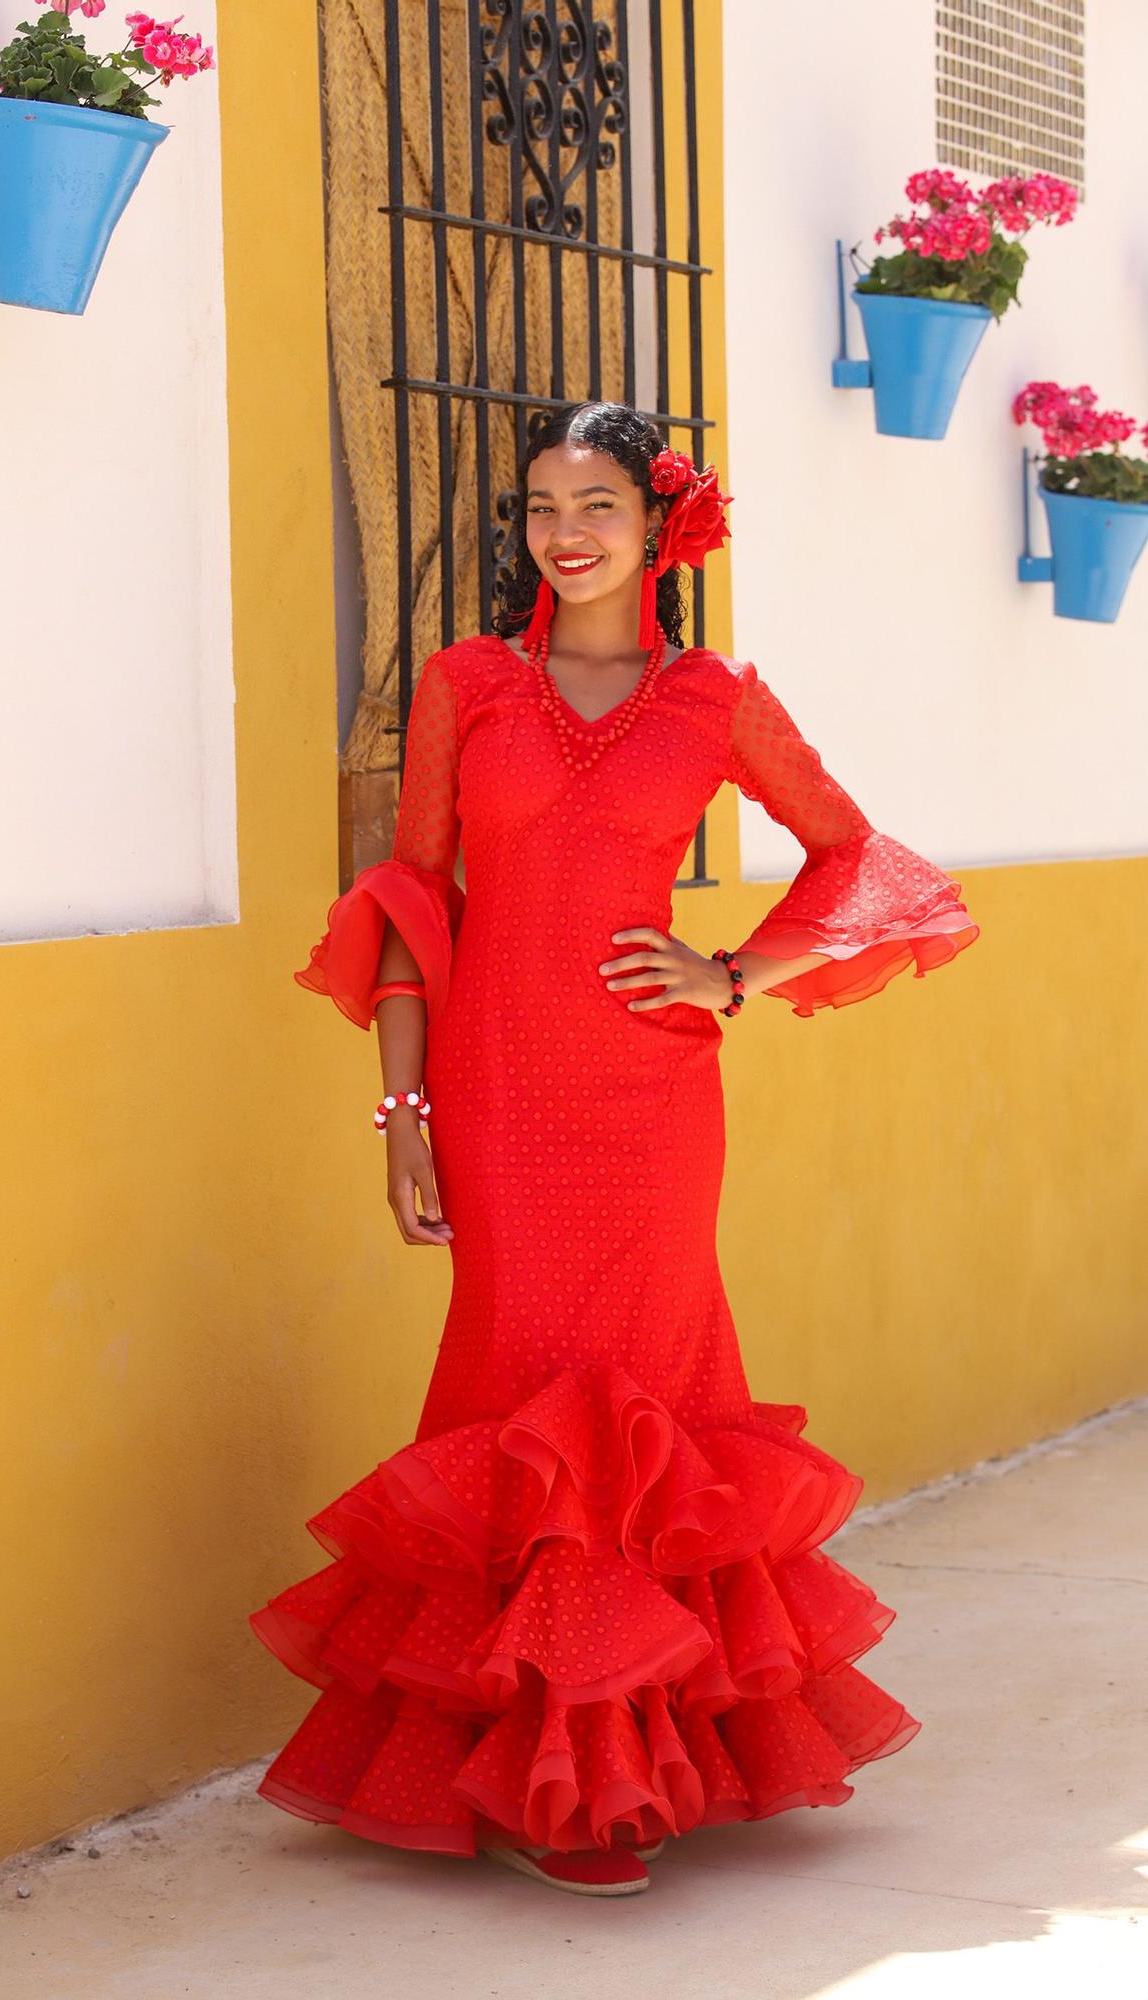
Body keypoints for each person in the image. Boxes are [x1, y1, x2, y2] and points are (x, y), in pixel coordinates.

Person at [248, 400, 979, 1898]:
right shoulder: (468, 685)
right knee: (519, 1390)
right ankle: (533, 1759)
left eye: (594, 505)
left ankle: (622, 1765)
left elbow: (854, 853)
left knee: (650, 1402)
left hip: (651, 1107)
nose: (563, 534)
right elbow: (415, 901)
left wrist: (731, 974)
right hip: (504, 1096)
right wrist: (405, 1114)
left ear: (658, 527)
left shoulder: (711, 699)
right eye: (536, 508)